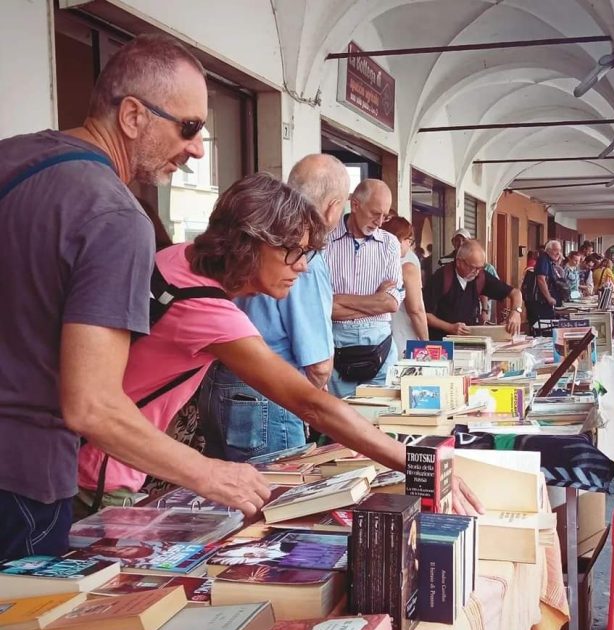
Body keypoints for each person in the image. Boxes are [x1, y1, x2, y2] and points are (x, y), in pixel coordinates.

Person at [0, 34, 273, 561]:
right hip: (22, 484)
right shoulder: (115, 214)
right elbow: (93, 405)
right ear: (131, 116)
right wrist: (211, 474)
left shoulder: (13, 157)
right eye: (190, 127)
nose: (196, 148)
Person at [78, 173, 484, 518]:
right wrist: (418, 461)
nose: (303, 266)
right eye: (294, 251)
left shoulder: (177, 259)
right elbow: (309, 403)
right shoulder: (208, 308)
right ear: (250, 242)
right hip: (101, 470)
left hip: (96, 456)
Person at [198, 154, 350, 460]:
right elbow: (319, 366)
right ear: (334, 206)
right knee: (277, 501)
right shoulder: (301, 255)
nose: (301, 265)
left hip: (217, 384)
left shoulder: (261, 244)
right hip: (269, 395)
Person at [325, 179, 402, 398]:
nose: (379, 222)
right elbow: (322, 307)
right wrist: (375, 302)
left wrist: (339, 300)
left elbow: (391, 303)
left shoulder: (390, 243)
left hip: (381, 347)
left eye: (385, 216)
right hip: (336, 345)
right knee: (340, 422)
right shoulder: (325, 241)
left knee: (380, 422)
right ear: (355, 204)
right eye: (375, 213)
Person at [423, 239, 523, 339]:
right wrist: (450, 328)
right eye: (473, 267)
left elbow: (515, 293)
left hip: (469, 342)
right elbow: (424, 314)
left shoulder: (481, 276)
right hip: (442, 343)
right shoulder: (441, 277)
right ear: (459, 262)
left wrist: (516, 312)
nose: (476, 272)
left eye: (480, 268)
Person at [382, 216, 429, 356]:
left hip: (378, 342)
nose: (410, 245)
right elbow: (416, 310)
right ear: (400, 240)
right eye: (409, 240)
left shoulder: (373, 265)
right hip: (404, 341)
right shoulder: (407, 268)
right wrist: (426, 342)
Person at [526, 239, 565, 330]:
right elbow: (541, 279)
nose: (558, 253)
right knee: (542, 329)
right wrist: (549, 298)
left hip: (542, 302)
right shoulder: (543, 259)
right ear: (548, 250)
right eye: (555, 250)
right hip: (539, 302)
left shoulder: (550, 261)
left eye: (559, 250)